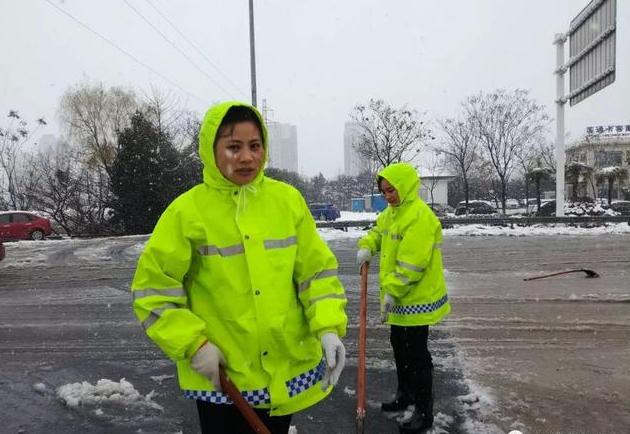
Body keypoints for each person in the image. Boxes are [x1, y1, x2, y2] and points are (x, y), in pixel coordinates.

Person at [131, 101, 347, 434]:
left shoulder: (287, 202)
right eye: (234, 147)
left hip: (283, 370)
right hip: (222, 377)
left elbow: (315, 273)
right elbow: (153, 293)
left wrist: (328, 326)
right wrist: (194, 345)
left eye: (255, 146)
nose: (246, 157)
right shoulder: (186, 213)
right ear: (210, 149)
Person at [356, 162, 450, 433]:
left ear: (405, 187)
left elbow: (412, 264)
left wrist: (393, 292)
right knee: (399, 346)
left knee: (417, 354)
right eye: (384, 192)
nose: (389, 196)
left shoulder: (418, 216)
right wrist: (366, 246)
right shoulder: (392, 213)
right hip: (399, 300)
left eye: (392, 190)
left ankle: (424, 410)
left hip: (417, 298)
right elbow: (378, 232)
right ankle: (405, 395)